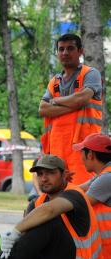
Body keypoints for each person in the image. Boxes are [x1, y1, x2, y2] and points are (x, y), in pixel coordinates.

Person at [39, 33, 102, 186]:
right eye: (61, 49)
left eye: (70, 48)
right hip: (56, 150)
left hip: (83, 150)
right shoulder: (54, 82)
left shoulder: (90, 74)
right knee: (56, 197)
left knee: (79, 195)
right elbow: (43, 109)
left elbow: (82, 99)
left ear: (80, 51)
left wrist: (56, 101)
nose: (65, 53)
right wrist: (73, 103)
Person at [72, 133, 111, 259]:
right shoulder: (104, 174)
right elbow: (78, 189)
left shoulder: (107, 178)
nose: (80, 157)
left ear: (90, 155)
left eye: (81, 152)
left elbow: (77, 204)